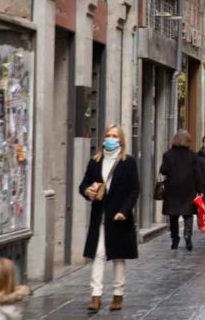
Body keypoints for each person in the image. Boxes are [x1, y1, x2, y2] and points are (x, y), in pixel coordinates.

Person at [80, 124, 139, 312]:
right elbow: (83, 185)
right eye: (108, 135)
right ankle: (95, 295)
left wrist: (125, 210)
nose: (111, 139)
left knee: (118, 256)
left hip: (119, 216)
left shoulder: (128, 162)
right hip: (100, 214)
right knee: (98, 254)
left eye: (114, 136)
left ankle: (117, 295)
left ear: (120, 140)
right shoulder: (95, 161)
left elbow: (134, 189)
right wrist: (87, 191)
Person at [160, 129, 203, 251]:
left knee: (173, 215)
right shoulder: (192, 155)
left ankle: (175, 238)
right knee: (188, 213)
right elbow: (197, 174)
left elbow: (164, 170)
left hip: (172, 188)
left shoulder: (168, 155)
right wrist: (200, 190)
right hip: (188, 188)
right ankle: (188, 234)